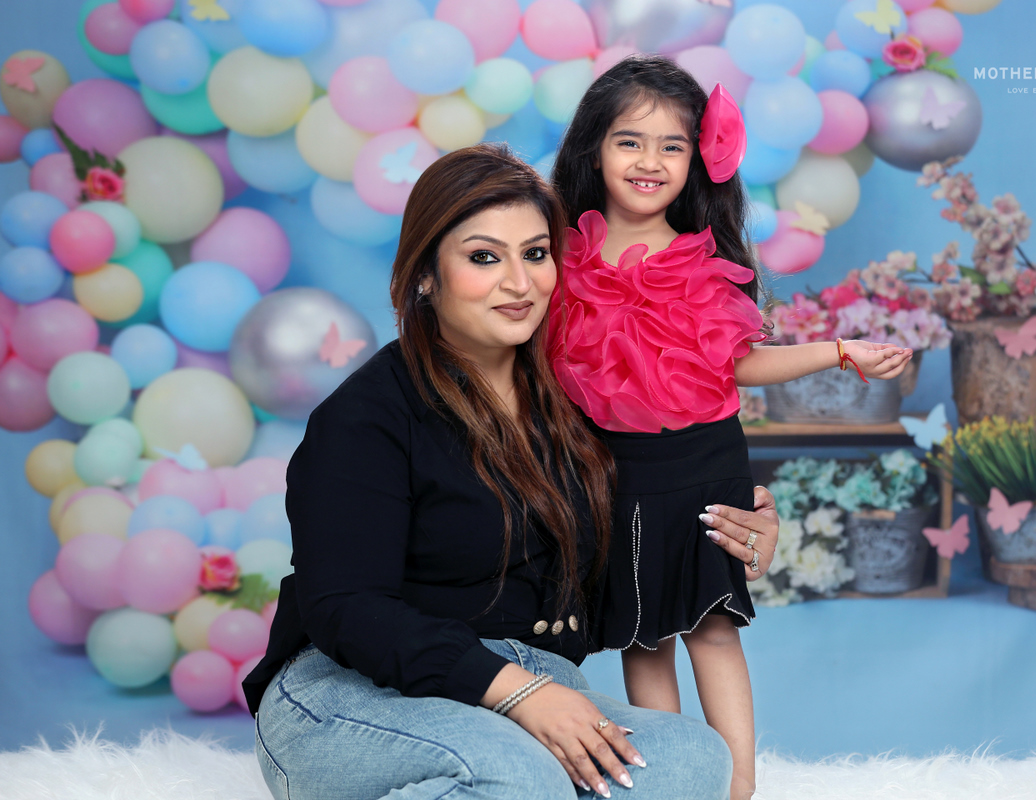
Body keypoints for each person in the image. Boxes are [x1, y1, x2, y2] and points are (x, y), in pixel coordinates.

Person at [242, 143, 782, 800]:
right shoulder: (367, 416)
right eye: (484, 257)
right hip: (350, 688)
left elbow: (636, 550)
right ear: (425, 274)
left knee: (692, 758)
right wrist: (521, 696)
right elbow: (347, 610)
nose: (520, 283)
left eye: (535, 253)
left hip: (530, 677)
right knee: (519, 775)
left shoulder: (582, 399)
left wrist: (728, 535)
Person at [549, 55, 914, 800]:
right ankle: (669, 780)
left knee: (713, 624)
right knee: (643, 635)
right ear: (594, 149)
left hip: (706, 460)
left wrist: (839, 351)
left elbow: (740, 363)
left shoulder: (701, 258)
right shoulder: (560, 257)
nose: (650, 162)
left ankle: (740, 785)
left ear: (696, 161)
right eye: (629, 141)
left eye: (672, 146)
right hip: (614, 468)